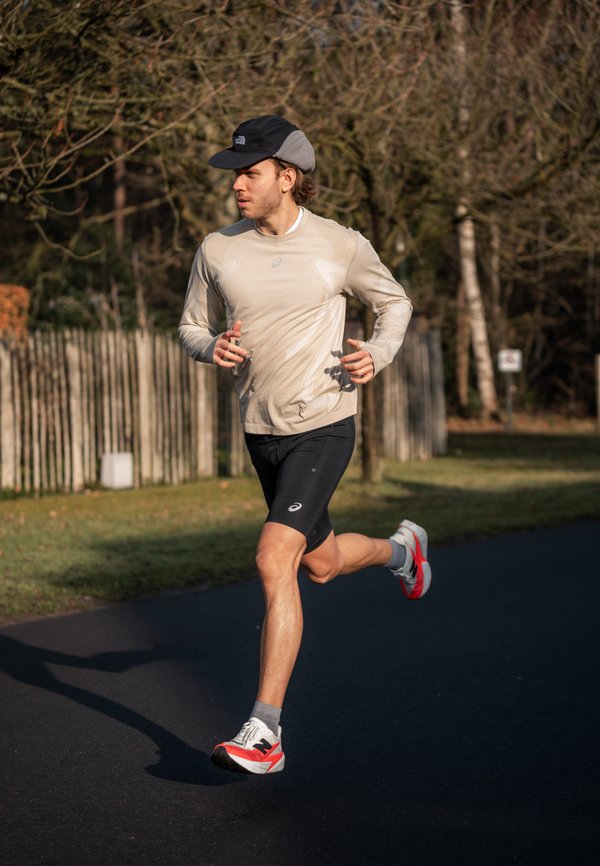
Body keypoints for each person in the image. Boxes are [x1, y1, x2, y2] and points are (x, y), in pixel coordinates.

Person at [179, 115, 432, 775]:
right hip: (260, 432)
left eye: (251, 172)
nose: (238, 185)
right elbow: (188, 327)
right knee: (318, 564)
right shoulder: (218, 249)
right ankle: (403, 551)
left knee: (273, 558)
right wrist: (213, 346)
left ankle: (265, 733)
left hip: (323, 424)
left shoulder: (338, 245)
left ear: (288, 177)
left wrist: (376, 352)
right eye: (237, 173)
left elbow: (395, 303)